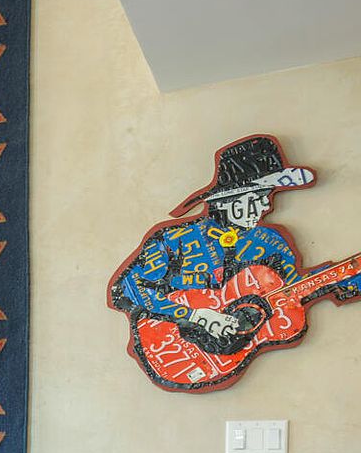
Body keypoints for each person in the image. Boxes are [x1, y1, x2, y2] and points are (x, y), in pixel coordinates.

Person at [110, 135, 360, 356]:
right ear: (231, 200)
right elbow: (124, 292)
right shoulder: (174, 240)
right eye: (260, 197)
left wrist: (344, 277)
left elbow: (291, 294)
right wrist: (194, 316)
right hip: (173, 350)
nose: (266, 206)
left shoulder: (270, 242)